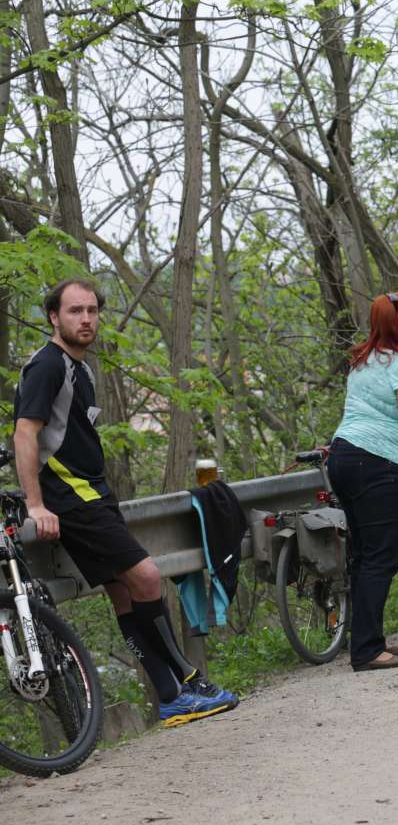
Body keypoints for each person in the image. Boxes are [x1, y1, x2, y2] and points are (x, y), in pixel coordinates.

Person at [13, 278, 239, 721]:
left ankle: (171, 697)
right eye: (75, 311)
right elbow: (25, 433)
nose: (86, 319)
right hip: (72, 499)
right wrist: (35, 505)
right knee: (148, 577)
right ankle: (189, 678)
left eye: (92, 311)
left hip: (93, 493)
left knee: (123, 593)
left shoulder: (81, 369)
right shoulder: (47, 366)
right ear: (53, 317)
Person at [327, 289, 398, 671]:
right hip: (375, 465)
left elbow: (376, 417)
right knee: (382, 555)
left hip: (344, 458)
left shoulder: (361, 362)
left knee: (364, 556)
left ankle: (368, 640)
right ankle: (366, 651)